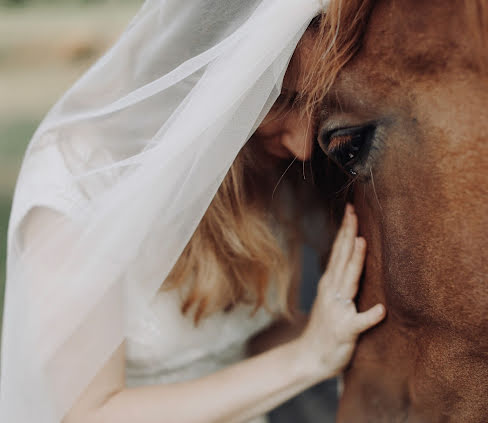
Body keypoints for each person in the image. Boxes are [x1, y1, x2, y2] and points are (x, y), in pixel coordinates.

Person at [0, 1, 385, 422]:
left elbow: (239, 344)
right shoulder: (78, 178)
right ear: (202, 77)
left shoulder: (261, 168)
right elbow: (89, 415)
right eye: (279, 100)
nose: (304, 145)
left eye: (317, 104)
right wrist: (305, 357)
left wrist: (348, 332)